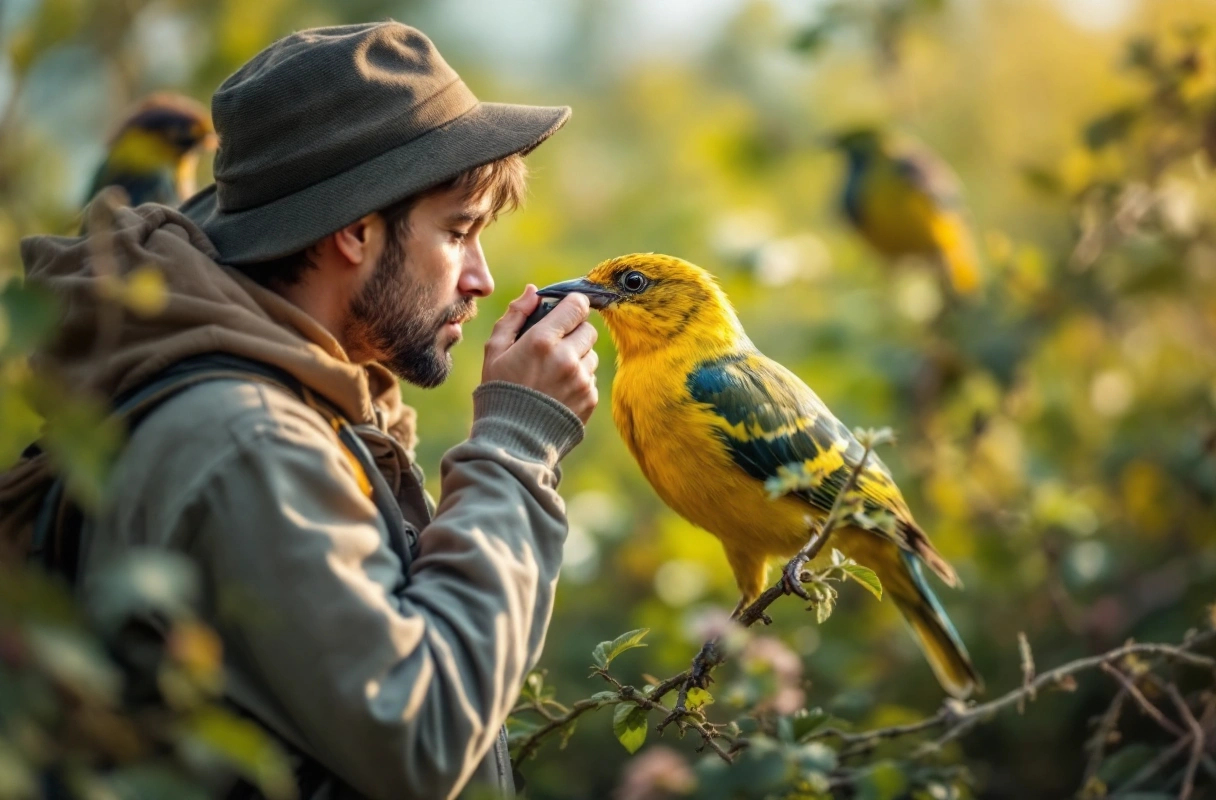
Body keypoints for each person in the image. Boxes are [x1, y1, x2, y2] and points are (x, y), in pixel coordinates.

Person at [8, 21, 598, 800]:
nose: (482, 280)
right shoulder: (247, 440)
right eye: (458, 233)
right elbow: (420, 736)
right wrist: (519, 442)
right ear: (354, 230)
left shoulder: (286, 399)